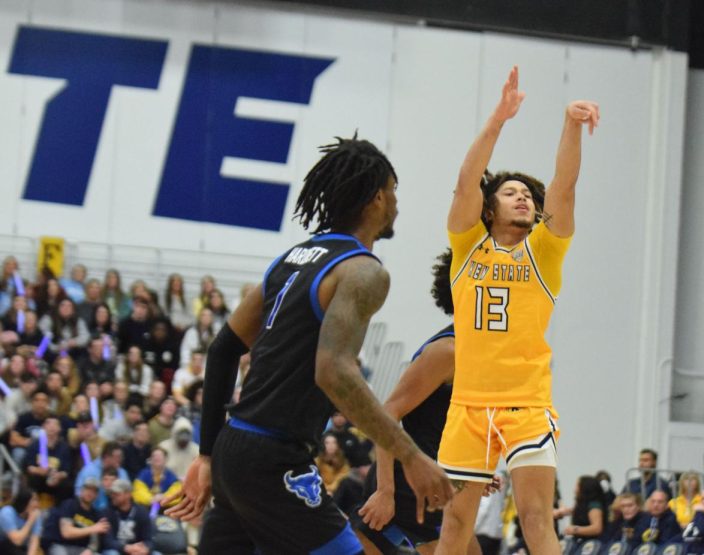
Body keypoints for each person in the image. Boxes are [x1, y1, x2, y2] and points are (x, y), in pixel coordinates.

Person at [164, 134, 453, 554]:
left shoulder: (292, 258)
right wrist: (410, 455)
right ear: (375, 198)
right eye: (393, 192)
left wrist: (208, 455)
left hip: (234, 449)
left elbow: (223, 349)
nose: (396, 203)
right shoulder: (363, 271)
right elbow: (334, 371)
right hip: (274, 460)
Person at [434, 65, 598, 555]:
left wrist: (570, 124)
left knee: (534, 520)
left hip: (527, 404)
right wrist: (499, 119)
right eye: (511, 192)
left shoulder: (544, 252)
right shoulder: (467, 248)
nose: (524, 196)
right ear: (489, 210)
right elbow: (466, 183)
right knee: (454, 527)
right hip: (468, 406)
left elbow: (564, 188)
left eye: (528, 194)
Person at [355, 249, 478, 555]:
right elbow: (387, 414)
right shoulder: (447, 351)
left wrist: (478, 472)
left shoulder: (477, 353)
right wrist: (385, 491)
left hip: (435, 483)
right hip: (406, 485)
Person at [104, 479, 153, 555]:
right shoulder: (107, 512)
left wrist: (145, 549)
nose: (112, 496)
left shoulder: (141, 512)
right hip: (117, 550)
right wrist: (126, 548)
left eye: (116, 494)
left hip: (136, 551)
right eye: (112, 493)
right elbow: (107, 541)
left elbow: (149, 539)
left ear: (128, 494)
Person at [0, 488, 42, 555]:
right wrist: (30, 520)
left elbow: (34, 541)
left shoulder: (35, 514)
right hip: (3, 544)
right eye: (34, 500)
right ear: (24, 501)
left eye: (37, 500)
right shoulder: (7, 512)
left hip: (20, 547)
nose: (37, 504)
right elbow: (17, 541)